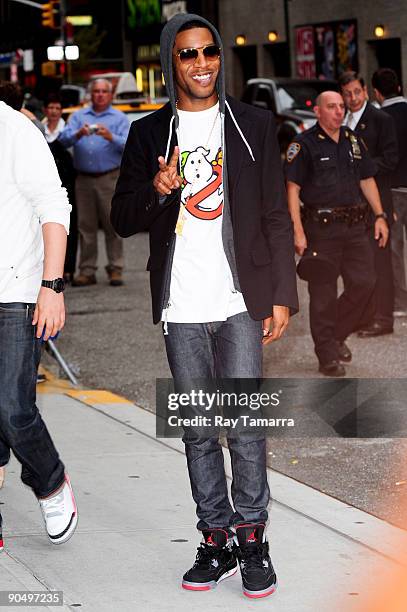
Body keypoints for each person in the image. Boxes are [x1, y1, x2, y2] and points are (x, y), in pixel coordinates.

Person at [111, 13, 298, 599]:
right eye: (188, 55)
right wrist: (158, 190)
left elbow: (272, 213)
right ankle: (215, 538)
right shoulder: (148, 135)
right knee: (198, 429)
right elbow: (121, 219)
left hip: (239, 300)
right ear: (171, 61)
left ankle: (253, 538)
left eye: (209, 52)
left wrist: (283, 296)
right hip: (181, 305)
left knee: (244, 426)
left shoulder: (252, 124)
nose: (201, 64)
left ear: (220, 56)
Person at [0, 99, 78, 552]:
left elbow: (54, 206)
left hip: (15, 290)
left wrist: (52, 285)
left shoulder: (15, 129)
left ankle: (49, 480)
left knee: (12, 407)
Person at [285, 91, 388, 377]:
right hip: (321, 231)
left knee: (365, 284)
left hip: (355, 228)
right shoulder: (302, 144)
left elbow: (367, 178)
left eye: (341, 106)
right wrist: (298, 230)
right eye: (332, 107)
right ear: (317, 111)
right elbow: (292, 190)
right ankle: (327, 355)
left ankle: (335, 336)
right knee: (323, 296)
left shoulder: (353, 140)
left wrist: (380, 215)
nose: (339, 111)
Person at [339, 71, 398, 336]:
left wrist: (361, 168)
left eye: (356, 92)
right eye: (347, 93)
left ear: (366, 91)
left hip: (376, 201)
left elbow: (391, 158)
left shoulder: (381, 120)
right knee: (358, 263)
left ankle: (383, 319)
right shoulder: (341, 119)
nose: (352, 98)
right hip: (350, 204)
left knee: (380, 262)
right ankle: (362, 316)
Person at [59, 79, 129, 287]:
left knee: (112, 225)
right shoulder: (78, 116)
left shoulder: (119, 118)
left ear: (110, 94)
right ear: (90, 94)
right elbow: (62, 140)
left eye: (103, 92)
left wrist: (111, 137)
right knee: (85, 227)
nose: (99, 95)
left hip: (109, 178)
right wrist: (78, 133)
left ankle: (115, 269)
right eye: (96, 91)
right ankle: (87, 270)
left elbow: (130, 144)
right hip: (83, 179)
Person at [372, 68, 407, 317]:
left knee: (394, 245)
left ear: (376, 92)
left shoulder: (380, 118)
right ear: (399, 87)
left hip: (393, 188)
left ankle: (401, 301)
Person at [43, 95, 78, 283]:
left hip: (68, 184)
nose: (54, 111)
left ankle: (69, 268)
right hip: (46, 184)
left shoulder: (68, 132)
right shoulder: (38, 130)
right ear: (46, 110)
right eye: (51, 107)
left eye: (57, 107)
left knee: (70, 227)